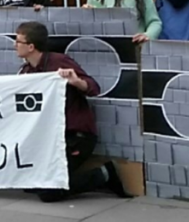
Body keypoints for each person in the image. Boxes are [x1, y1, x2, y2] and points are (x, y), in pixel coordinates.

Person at [15, 21, 129, 202]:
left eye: (18, 41)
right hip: (52, 140)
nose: (15, 45)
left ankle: (103, 175)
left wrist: (76, 81)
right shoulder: (25, 71)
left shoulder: (58, 62)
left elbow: (93, 88)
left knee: (48, 193)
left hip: (76, 136)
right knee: (30, 184)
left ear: (31, 46)